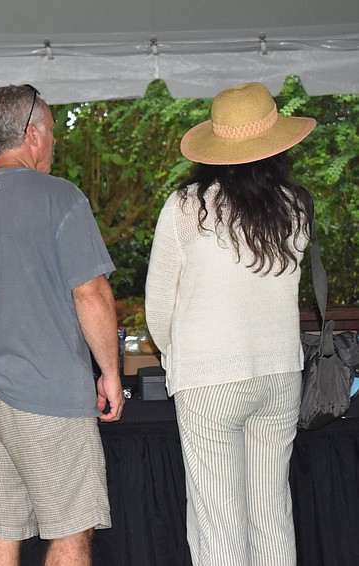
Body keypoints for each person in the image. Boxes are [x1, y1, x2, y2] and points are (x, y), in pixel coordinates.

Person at [0, 84, 124, 566]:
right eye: (53, 133)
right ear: (32, 134)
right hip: (48, 395)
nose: (54, 144)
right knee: (71, 531)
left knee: (3, 527)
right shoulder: (61, 198)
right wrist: (111, 373)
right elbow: (92, 293)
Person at [145, 82, 316, 566]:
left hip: (209, 378)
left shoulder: (188, 206)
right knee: (271, 511)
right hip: (280, 373)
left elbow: (159, 305)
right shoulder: (296, 206)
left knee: (218, 519)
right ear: (277, 143)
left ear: (216, 148)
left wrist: (178, 356)